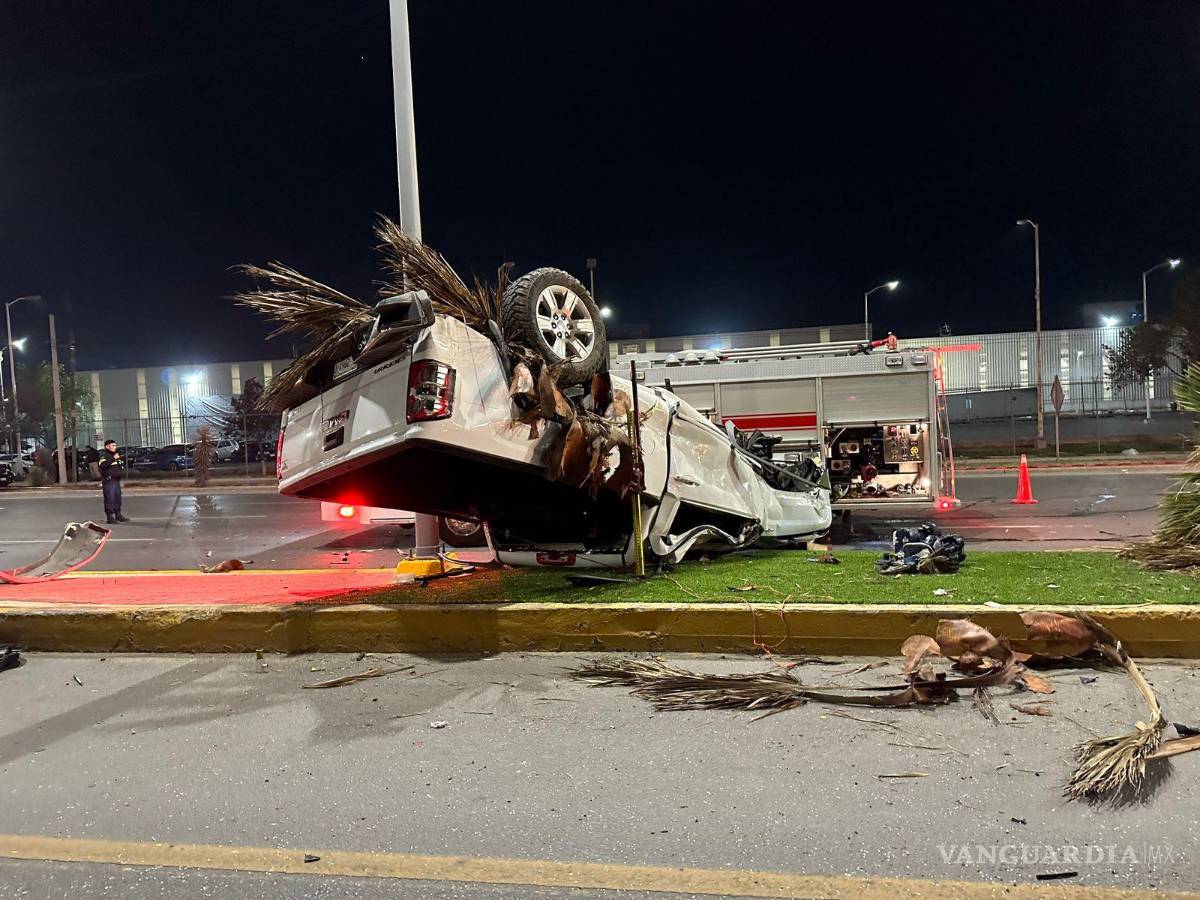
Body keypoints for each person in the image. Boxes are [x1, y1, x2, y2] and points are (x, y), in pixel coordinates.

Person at [97, 439, 129, 524]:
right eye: (113, 445)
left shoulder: (115, 455)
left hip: (116, 480)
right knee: (110, 499)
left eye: (115, 445)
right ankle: (110, 517)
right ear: (107, 446)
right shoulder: (104, 456)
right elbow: (103, 466)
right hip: (109, 480)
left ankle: (118, 514)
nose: (115, 447)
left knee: (117, 498)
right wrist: (113, 459)